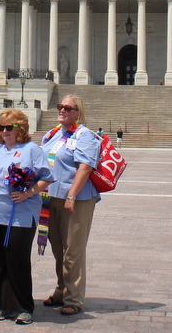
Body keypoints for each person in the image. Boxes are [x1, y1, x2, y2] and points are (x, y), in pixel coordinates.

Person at [0, 108, 54, 325]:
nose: (4, 131)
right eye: (1, 127)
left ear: (19, 128)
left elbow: (46, 178)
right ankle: (2, 305)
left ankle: (23, 307)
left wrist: (27, 193)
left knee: (17, 260)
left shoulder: (31, 149)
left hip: (20, 215)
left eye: (9, 127)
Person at [41, 96, 101, 316]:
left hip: (76, 199)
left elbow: (85, 167)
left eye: (68, 108)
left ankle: (74, 297)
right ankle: (61, 289)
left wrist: (71, 196)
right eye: (60, 107)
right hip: (51, 197)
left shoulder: (85, 135)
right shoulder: (53, 133)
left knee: (72, 249)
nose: (62, 110)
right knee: (58, 248)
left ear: (78, 112)